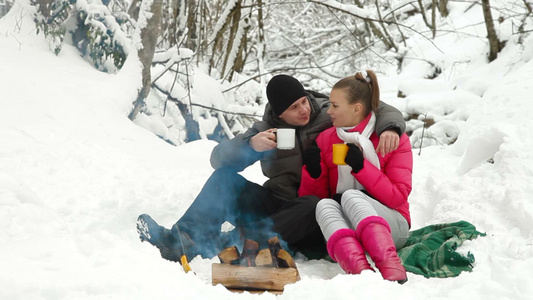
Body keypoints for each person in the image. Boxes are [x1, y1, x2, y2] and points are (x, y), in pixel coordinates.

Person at [136, 74, 406, 263]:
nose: (304, 110)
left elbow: (373, 105)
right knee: (224, 178)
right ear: (279, 114)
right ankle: (182, 239)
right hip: (276, 203)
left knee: (315, 204)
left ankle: (237, 242)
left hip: (313, 212)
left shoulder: (328, 111)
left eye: (303, 101)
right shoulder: (266, 129)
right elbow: (218, 158)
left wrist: (390, 127)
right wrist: (251, 145)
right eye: (294, 108)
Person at [298, 70, 412, 283]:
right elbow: (316, 199)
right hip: (350, 229)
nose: (328, 111)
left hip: (392, 225)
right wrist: (314, 173)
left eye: (335, 105)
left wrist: (362, 168)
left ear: (356, 108)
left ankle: (391, 267)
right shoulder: (326, 139)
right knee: (324, 205)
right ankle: (360, 272)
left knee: (351, 196)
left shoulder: (391, 138)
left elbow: (398, 197)